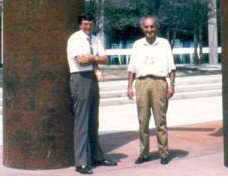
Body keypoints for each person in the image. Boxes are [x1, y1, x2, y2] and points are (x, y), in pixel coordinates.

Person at [67, 13, 117, 174]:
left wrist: (91, 57)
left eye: (90, 24)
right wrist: (96, 58)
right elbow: (80, 60)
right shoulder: (75, 39)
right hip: (80, 78)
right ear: (80, 25)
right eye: (85, 24)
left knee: (94, 120)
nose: (88, 27)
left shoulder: (95, 39)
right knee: (82, 121)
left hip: (93, 78)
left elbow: (106, 59)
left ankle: (97, 156)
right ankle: (81, 162)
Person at [127, 16, 176, 165]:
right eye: (146, 27)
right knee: (143, 121)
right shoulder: (137, 45)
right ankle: (144, 153)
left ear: (156, 27)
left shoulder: (164, 44)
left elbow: (171, 67)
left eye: (152, 27)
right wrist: (129, 86)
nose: (149, 30)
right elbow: (132, 68)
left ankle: (164, 153)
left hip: (159, 83)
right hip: (141, 83)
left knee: (160, 121)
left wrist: (172, 85)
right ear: (143, 28)